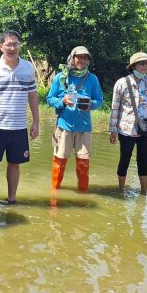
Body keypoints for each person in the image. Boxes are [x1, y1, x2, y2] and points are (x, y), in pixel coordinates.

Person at [0, 30, 39, 205]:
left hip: (18, 126)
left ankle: (12, 199)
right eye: (8, 44)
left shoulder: (28, 68)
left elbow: (32, 95)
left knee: (14, 164)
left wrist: (36, 122)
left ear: (19, 46)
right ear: (1, 47)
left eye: (15, 44)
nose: (12, 47)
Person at [46, 46, 103, 192]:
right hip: (64, 126)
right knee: (59, 163)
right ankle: (54, 196)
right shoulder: (61, 77)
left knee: (83, 165)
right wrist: (62, 101)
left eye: (85, 58)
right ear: (72, 58)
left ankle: (82, 197)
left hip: (84, 128)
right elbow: (50, 98)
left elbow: (99, 101)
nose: (82, 60)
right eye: (79, 57)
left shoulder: (92, 79)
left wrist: (91, 104)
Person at [109, 52, 147, 194]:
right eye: (141, 63)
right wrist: (113, 130)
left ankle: (144, 192)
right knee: (124, 159)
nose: (145, 66)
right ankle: (121, 191)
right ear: (133, 66)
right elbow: (115, 107)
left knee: (143, 161)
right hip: (126, 129)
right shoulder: (122, 83)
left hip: (146, 128)